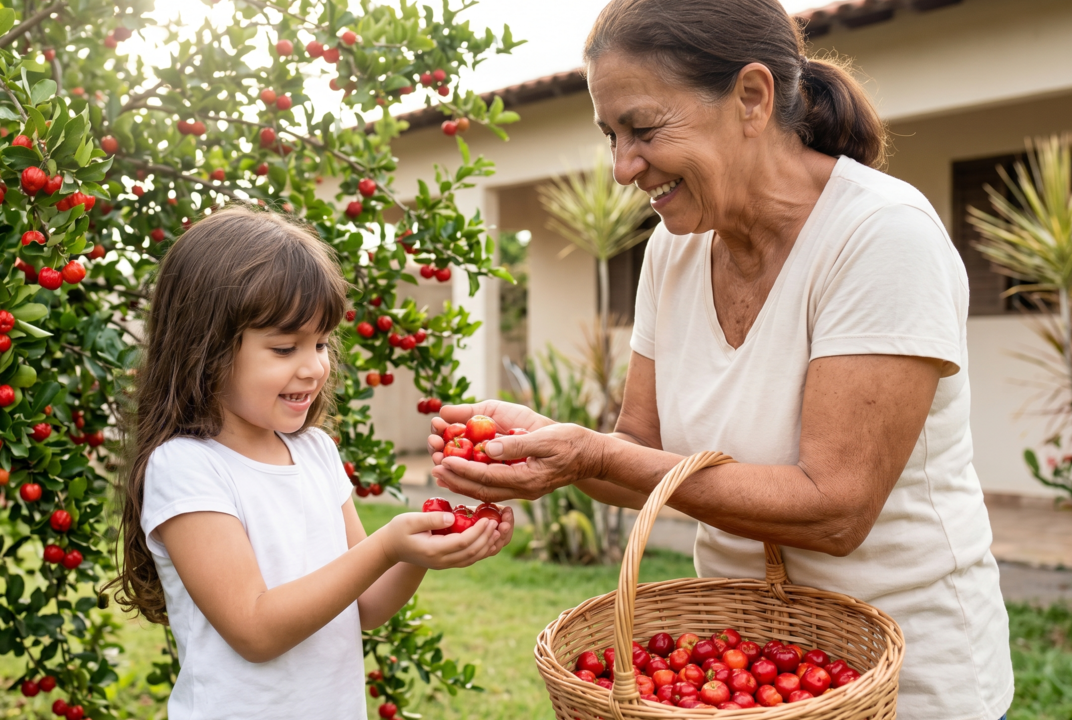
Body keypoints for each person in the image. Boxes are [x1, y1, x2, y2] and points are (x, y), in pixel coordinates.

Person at [427, 1, 1011, 718]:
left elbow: (836, 510)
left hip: (896, 675)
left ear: (752, 98)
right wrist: (545, 446)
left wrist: (594, 459)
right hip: (742, 664)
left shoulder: (883, 239)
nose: (621, 167)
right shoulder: (673, 247)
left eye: (642, 129)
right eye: (610, 135)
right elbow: (640, 450)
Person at [108, 205, 514, 719]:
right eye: (284, 348)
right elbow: (254, 630)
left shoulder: (314, 451)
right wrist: (386, 546)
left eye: (320, 342)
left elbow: (365, 606)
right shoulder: (186, 469)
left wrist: (422, 549)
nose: (314, 366)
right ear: (204, 349)